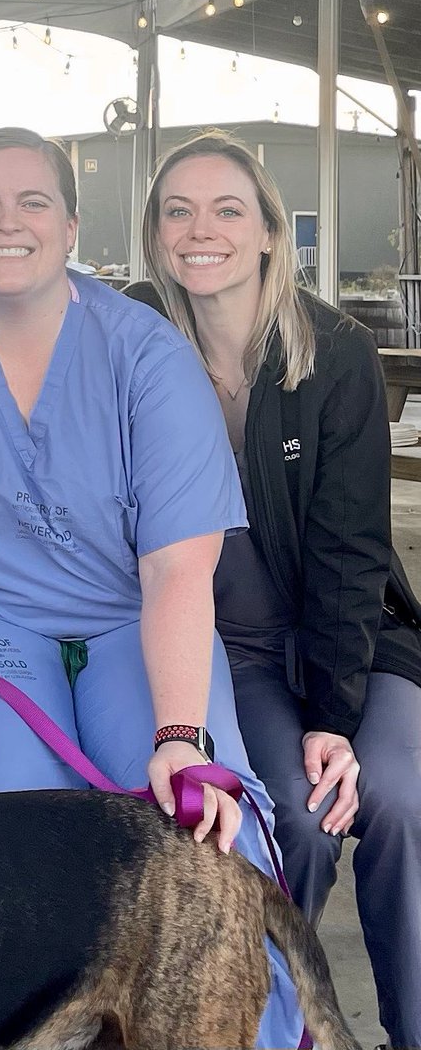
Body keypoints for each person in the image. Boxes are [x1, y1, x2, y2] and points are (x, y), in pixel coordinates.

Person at [0, 126, 303, 1048]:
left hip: (133, 623)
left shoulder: (144, 353)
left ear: (73, 224)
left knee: (207, 832)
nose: (8, 222)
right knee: (16, 844)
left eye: (33, 201)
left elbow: (177, 565)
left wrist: (178, 732)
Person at [130, 129, 421, 1050]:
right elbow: (27, 311)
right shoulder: (133, 333)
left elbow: (351, 552)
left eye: (226, 209)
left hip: (353, 636)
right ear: (154, 235)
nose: (200, 229)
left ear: (266, 232)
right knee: (288, 816)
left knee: (401, 802)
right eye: (178, 210)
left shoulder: (334, 352)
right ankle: (276, 1029)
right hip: (235, 646)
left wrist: (335, 713)